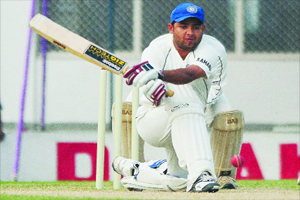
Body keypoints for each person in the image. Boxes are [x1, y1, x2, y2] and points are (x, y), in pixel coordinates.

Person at [114, 2, 230, 193]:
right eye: (183, 26)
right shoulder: (155, 49)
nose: (190, 32)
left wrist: (158, 75)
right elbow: (149, 85)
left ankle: (139, 171)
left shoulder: (212, 49)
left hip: (189, 119)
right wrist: (154, 88)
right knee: (186, 100)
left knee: (178, 180)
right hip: (153, 120)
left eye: (196, 27)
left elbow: (190, 74)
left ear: (203, 29)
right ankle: (202, 173)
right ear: (171, 28)